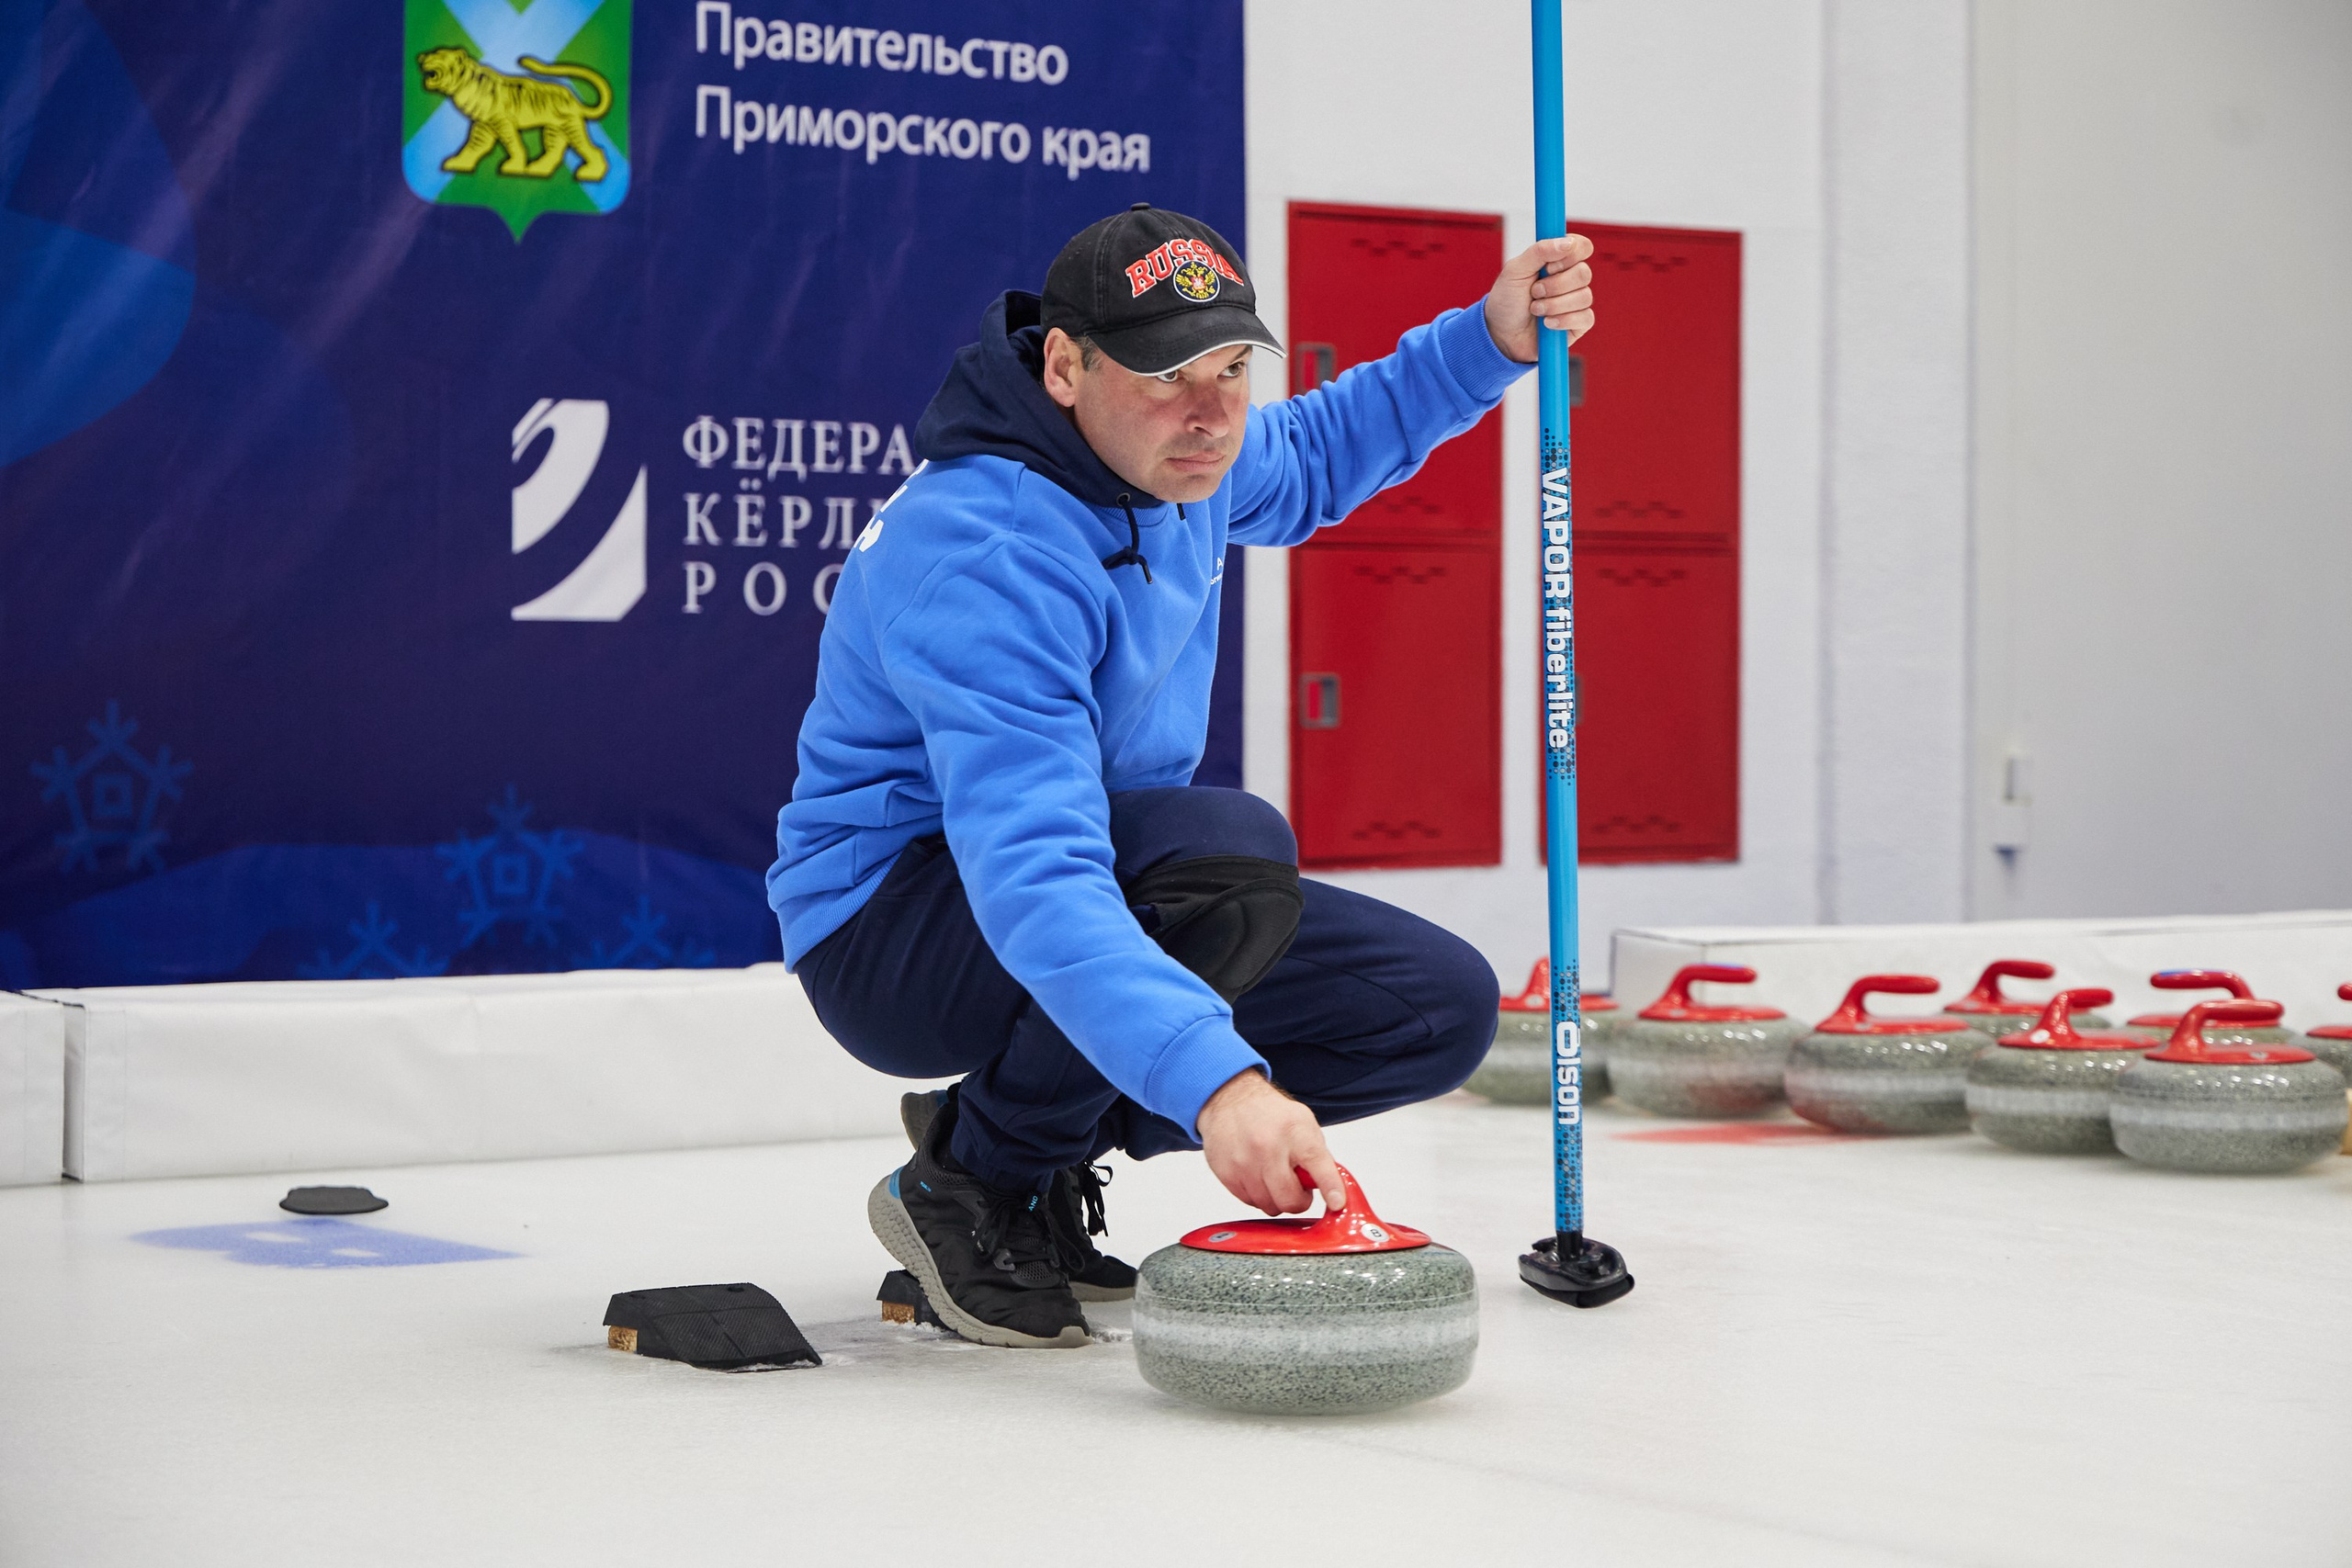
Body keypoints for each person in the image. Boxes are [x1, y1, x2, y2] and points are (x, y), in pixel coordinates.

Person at [769, 204, 1595, 1348]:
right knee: (1224, 856)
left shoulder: (1164, 456)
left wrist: (1491, 340)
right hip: (892, 928)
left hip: (1081, 871)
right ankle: (967, 1184)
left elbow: (1306, 455)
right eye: (1167, 376)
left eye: (1229, 370)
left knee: (1430, 1008)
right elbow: (1040, 879)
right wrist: (1221, 1089)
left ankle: (1031, 1148)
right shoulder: (988, 550)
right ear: (1065, 366)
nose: (1210, 416)